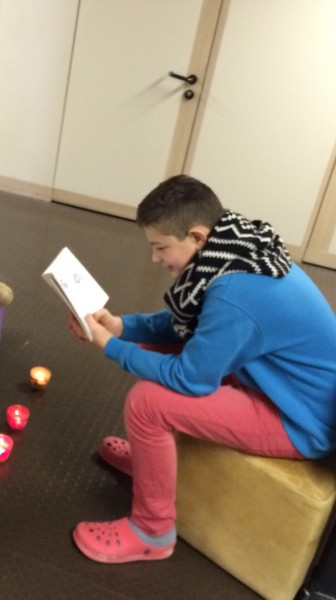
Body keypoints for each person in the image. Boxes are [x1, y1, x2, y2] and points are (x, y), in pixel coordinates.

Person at [69, 174, 336, 564]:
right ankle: (150, 463)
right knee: (157, 349)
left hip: (301, 419)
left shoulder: (235, 292)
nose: (155, 258)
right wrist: (123, 327)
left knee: (147, 404)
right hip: (278, 382)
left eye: (161, 247)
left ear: (196, 236)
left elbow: (190, 378)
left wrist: (109, 346)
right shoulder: (234, 245)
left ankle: (152, 531)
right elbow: (192, 324)